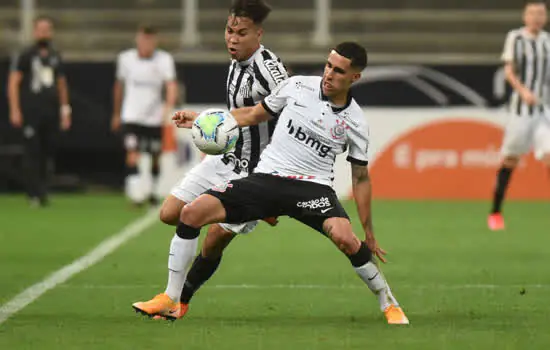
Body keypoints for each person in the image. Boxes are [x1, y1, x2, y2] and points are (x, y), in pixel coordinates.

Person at [168, 42, 409, 325]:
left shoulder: (355, 122)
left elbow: (360, 178)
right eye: (328, 66)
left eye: (339, 71)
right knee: (193, 215)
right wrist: (201, 119)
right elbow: (252, 114)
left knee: (345, 238)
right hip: (267, 178)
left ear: (354, 77)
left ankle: (387, 300)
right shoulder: (296, 86)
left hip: (313, 187)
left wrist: (369, 232)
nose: (329, 74)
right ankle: (177, 301)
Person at [132, 0, 288, 319]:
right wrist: (208, 127)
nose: (232, 39)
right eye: (229, 31)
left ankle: (176, 299)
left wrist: (275, 183)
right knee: (169, 212)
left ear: (258, 33)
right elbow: (238, 114)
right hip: (227, 159)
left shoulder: (269, 70)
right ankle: (235, 213)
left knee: (211, 235)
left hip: (255, 174)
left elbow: (289, 115)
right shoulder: (235, 62)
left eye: (241, 33)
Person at [489, 0, 550, 231]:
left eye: (541, 13)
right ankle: (495, 211)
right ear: (525, 16)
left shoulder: (547, 42)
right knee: (510, 161)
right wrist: (523, 91)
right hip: (520, 112)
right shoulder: (515, 37)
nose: (537, 17)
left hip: (544, 111)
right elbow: (509, 70)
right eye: (533, 13)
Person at [7, 16, 71, 207]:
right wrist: (15, 109)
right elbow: (13, 83)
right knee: (32, 151)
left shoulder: (54, 55)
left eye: (47, 29)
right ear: (35, 31)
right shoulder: (26, 55)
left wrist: (65, 109)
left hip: (50, 112)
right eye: (41, 29)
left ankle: (43, 190)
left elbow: (61, 84)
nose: (44, 33)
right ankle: (33, 192)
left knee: (47, 151)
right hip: (31, 111)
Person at [111, 24, 178, 206]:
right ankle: (135, 194)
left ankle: (153, 191)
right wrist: (116, 113)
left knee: (155, 155)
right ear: (137, 40)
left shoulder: (164, 60)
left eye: (150, 40)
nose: (146, 44)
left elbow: (171, 85)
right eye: (143, 39)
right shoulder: (126, 59)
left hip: (154, 118)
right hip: (131, 116)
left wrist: (168, 109)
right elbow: (119, 86)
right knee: (132, 152)